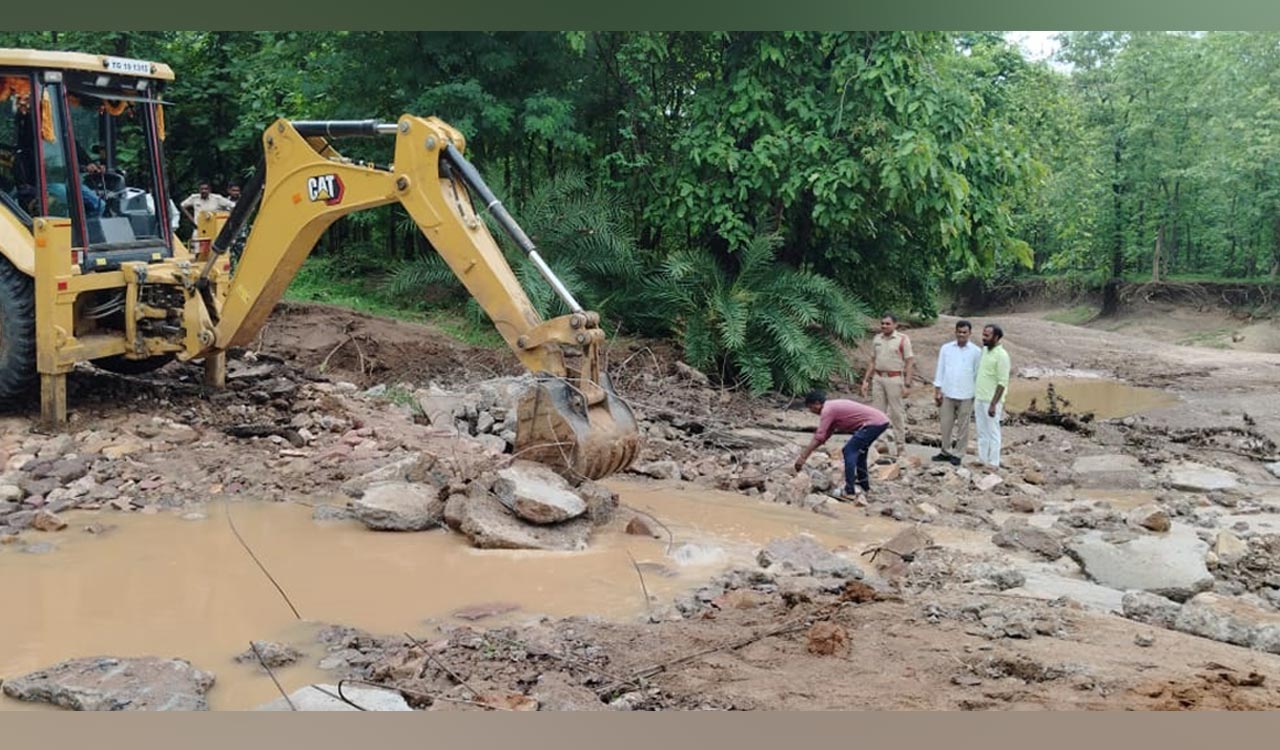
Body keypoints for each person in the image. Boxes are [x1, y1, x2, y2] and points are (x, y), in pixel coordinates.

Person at [793, 390, 890, 500]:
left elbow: (819, 436)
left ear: (817, 403)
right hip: (880, 421)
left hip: (873, 423)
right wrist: (805, 455)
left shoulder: (827, 410)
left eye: (811, 407)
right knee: (860, 453)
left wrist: (803, 457)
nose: (812, 411)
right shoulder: (832, 408)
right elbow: (825, 435)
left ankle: (849, 490)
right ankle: (864, 486)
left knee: (849, 450)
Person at [859, 313, 914, 457]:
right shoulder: (877, 339)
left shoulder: (902, 339)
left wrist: (907, 384)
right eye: (882, 323)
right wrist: (866, 380)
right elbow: (872, 360)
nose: (884, 326)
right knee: (877, 412)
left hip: (895, 379)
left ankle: (900, 445)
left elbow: (909, 362)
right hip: (878, 378)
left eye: (887, 324)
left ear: (895, 325)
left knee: (897, 413)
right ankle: (880, 443)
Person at [932, 319, 983, 465]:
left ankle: (959, 453)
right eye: (959, 332)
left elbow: (977, 374)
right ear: (955, 332)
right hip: (948, 393)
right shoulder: (946, 349)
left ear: (969, 333)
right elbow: (940, 370)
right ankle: (945, 451)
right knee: (945, 424)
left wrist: (975, 394)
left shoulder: (976, 352)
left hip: (966, 394)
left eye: (964, 332)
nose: (961, 335)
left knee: (963, 426)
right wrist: (937, 391)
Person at [974, 323, 1011, 470]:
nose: (983, 338)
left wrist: (994, 404)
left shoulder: (1002, 356)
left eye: (987, 335)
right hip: (980, 397)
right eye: (983, 334)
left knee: (993, 431)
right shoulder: (984, 351)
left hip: (991, 401)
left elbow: (1002, 382)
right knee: (982, 431)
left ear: (996, 337)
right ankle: (982, 458)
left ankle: (994, 462)